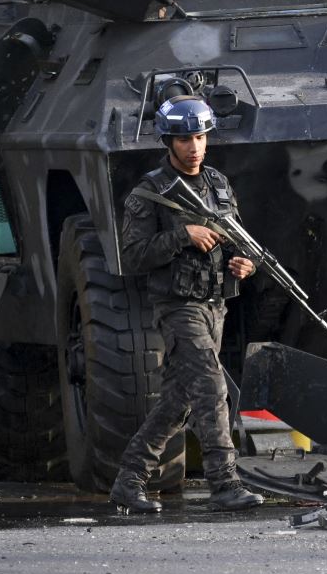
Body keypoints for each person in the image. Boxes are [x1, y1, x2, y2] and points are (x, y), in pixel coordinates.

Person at [109, 94, 264, 513]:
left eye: (199, 137)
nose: (193, 146)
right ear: (168, 142)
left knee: (178, 400)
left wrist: (243, 264)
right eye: (183, 139)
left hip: (215, 304)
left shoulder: (217, 184)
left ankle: (130, 479)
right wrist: (182, 235)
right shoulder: (150, 193)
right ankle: (224, 483)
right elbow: (133, 255)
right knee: (212, 388)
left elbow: (237, 238)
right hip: (177, 306)